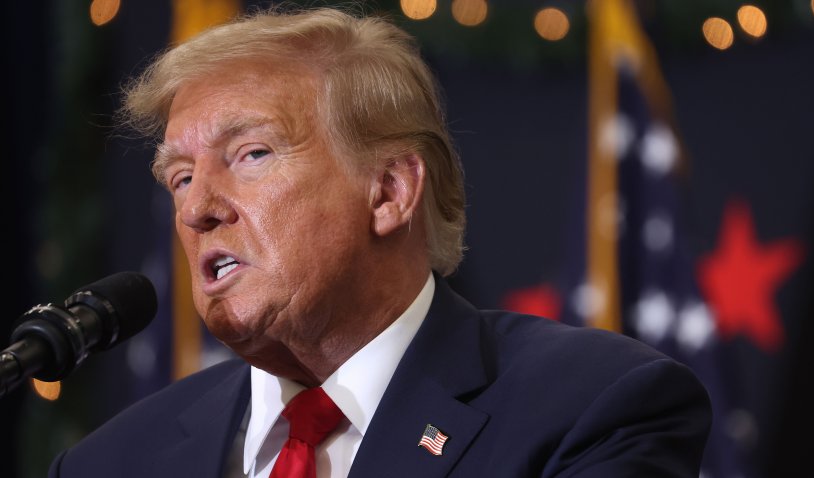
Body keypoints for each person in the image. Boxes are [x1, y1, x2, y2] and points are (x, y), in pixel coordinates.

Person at [49, 7, 711, 478]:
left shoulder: (591, 408)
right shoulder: (109, 463)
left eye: (250, 154)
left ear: (389, 191)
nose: (195, 209)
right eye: (181, 177)